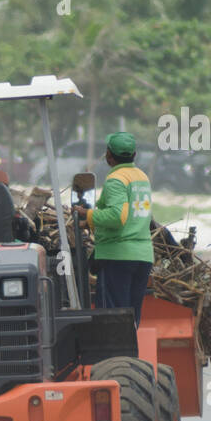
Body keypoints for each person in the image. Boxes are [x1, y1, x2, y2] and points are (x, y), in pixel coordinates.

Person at [75, 132, 154, 326]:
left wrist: (88, 215)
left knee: (113, 320)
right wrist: (92, 222)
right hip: (142, 257)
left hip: (118, 256)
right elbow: (135, 216)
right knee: (131, 320)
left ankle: (116, 355)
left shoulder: (116, 179)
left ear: (109, 155)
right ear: (134, 155)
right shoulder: (141, 177)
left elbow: (118, 216)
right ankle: (128, 355)